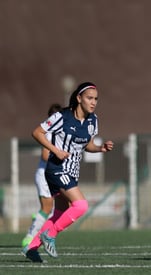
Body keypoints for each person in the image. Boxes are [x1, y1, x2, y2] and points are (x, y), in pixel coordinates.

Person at [22, 82, 114, 263]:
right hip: (56, 169)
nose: (93, 102)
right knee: (81, 206)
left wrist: (100, 148)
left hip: (72, 171)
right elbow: (37, 133)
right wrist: (55, 150)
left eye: (96, 99)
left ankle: (32, 247)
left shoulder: (93, 121)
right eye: (89, 98)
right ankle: (50, 234)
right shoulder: (62, 116)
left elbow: (87, 145)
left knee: (60, 212)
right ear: (79, 98)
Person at [21, 103, 63, 248]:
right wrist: (60, 154)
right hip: (45, 174)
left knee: (57, 207)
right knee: (47, 208)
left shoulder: (62, 132)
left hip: (53, 174)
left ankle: (41, 224)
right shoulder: (49, 132)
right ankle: (30, 238)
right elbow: (45, 155)